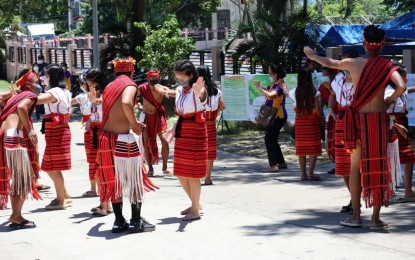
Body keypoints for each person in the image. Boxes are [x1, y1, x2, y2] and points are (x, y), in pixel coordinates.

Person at [304, 25, 406, 228]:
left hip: (357, 120)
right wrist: (387, 101)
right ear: (382, 44)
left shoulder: (354, 63)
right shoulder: (387, 66)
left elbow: (329, 62)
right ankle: (376, 219)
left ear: (364, 43)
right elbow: (401, 87)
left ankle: (356, 216)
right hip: (377, 121)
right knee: (378, 166)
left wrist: (313, 55)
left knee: (354, 168)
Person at [94, 57, 156, 233]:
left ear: (115, 72)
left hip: (106, 139)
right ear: (132, 72)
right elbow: (126, 103)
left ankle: (118, 221)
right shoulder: (130, 85)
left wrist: (133, 122)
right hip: (123, 140)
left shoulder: (109, 86)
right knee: (135, 179)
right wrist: (135, 125)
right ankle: (135, 221)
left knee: (113, 181)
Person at [0, 69, 41, 229]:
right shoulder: (29, 96)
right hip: (13, 137)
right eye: (36, 82)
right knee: (25, 179)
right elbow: (23, 109)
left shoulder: (14, 97)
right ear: (29, 85)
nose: (39, 85)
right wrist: (30, 130)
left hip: (4, 136)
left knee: (18, 179)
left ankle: (15, 215)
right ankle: (16, 216)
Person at [171, 59, 207, 221]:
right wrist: (173, 128)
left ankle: (195, 210)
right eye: (177, 77)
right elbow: (180, 112)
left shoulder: (198, 88)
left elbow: (202, 97)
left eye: (183, 77)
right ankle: (195, 203)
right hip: (183, 129)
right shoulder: (179, 90)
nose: (180, 80)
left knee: (193, 173)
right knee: (180, 172)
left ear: (191, 75)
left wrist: (199, 91)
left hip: (196, 130)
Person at [36, 64, 73, 210]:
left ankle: (60, 200)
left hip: (57, 130)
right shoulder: (65, 91)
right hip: (57, 129)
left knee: (53, 167)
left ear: (52, 77)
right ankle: (65, 194)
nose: (44, 78)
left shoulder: (54, 92)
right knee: (50, 166)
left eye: (47, 75)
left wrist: (23, 93)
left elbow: (36, 100)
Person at [327, 49, 359, 213]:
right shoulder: (338, 79)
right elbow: (332, 95)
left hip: (357, 123)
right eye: (341, 60)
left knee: (358, 164)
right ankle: (354, 199)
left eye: (344, 60)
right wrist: (331, 108)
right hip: (340, 122)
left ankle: (357, 200)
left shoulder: (361, 77)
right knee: (343, 165)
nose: (341, 62)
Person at [385, 64, 415, 202]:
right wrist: (396, 125)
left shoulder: (400, 90)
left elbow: (408, 90)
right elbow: (383, 111)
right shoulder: (389, 92)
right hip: (393, 127)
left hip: (402, 125)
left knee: (409, 158)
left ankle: (408, 191)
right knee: (390, 159)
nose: (406, 78)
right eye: (404, 76)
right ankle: (389, 191)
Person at [289, 69, 323, 181]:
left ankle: (303, 174)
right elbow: (318, 110)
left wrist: (283, 87)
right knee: (313, 149)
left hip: (300, 124)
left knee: (301, 149)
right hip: (312, 124)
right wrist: (322, 119)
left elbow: (287, 93)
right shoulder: (314, 92)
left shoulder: (295, 92)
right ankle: (311, 173)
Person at [254, 64, 288, 173]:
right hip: (274, 116)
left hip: (278, 116)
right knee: (272, 139)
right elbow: (267, 91)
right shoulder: (273, 84)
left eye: (270, 71)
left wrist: (259, 88)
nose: (268, 73)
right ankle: (281, 163)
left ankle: (273, 165)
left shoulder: (280, 85)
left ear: (275, 74)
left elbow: (270, 96)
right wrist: (260, 87)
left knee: (269, 139)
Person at [137, 70, 170, 176]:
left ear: (159, 78)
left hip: (159, 116)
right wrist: (138, 105)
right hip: (147, 117)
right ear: (147, 79)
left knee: (165, 141)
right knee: (146, 142)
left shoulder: (162, 88)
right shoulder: (142, 88)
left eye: (156, 78)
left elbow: (172, 93)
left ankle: (165, 166)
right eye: (151, 78)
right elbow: (132, 97)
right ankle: (150, 168)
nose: (154, 80)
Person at [197, 65, 225, 185]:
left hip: (199, 122)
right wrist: (215, 114)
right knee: (210, 150)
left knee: (198, 149)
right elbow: (222, 106)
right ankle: (208, 178)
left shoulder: (199, 89)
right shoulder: (216, 90)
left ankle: (196, 176)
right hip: (211, 122)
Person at [320, 67, 337, 172]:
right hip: (331, 117)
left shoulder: (339, 84)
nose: (326, 78)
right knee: (332, 142)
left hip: (340, 115)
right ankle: (336, 164)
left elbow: (339, 98)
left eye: (329, 76)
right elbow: (320, 100)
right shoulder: (322, 87)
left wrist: (330, 89)